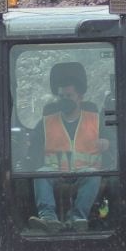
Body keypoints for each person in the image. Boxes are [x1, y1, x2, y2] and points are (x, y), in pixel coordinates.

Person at [29, 61, 109, 231]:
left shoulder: (95, 120)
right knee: (40, 174)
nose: (65, 100)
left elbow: (112, 140)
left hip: (85, 172)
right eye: (61, 97)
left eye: (69, 96)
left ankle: (77, 218)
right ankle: (48, 219)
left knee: (94, 175)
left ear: (80, 97)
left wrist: (106, 143)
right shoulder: (45, 122)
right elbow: (33, 149)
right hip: (55, 172)